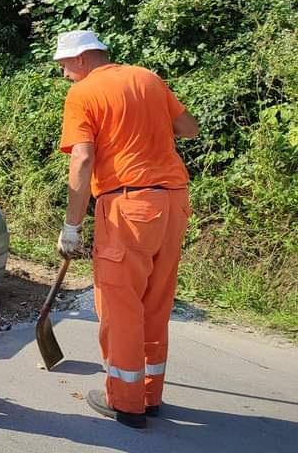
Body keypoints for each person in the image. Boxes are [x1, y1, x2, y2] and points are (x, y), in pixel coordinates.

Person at [53, 30, 199, 429]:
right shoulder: (148, 78)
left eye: (64, 64)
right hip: (173, 201)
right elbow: (189, 128)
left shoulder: (83, 93)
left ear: (82, 59)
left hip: (129, 207)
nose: (64, 73)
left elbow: (82, 160)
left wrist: (72, 225)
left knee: (121, 306)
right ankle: (150, 394)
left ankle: (127, 401)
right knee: (155, 301)